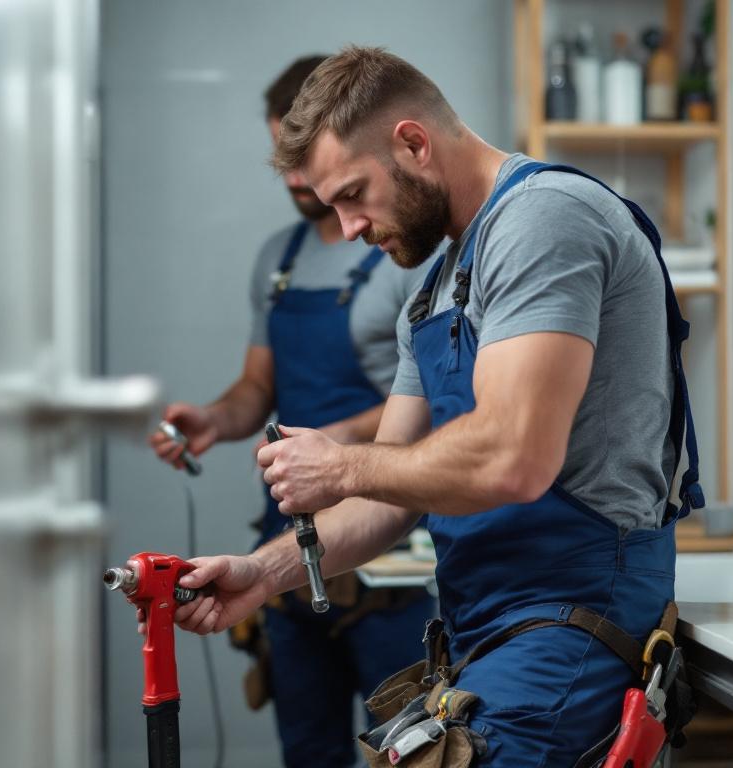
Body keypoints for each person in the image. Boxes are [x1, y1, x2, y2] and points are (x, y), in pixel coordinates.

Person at [170, 46, 704, 767]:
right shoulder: (436, 287)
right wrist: (261, 575)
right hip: (485, 632)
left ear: (413, 143)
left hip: (574, 623)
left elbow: (515, 457)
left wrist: (343, 466)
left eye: (354, 194)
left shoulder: (543, 220)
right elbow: (387, 500)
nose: (350, 227)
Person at [147, 55, 437, 768]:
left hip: (391, 557)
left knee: (412, 746)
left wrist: (337, 446)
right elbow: (259, 388)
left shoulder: (409, 254)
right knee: (307, 750)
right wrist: (216, 420)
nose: (295, 180)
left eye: (304, 161)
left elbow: (432, 404)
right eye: (283, 160)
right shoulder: (278, 259)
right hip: (293, 535)